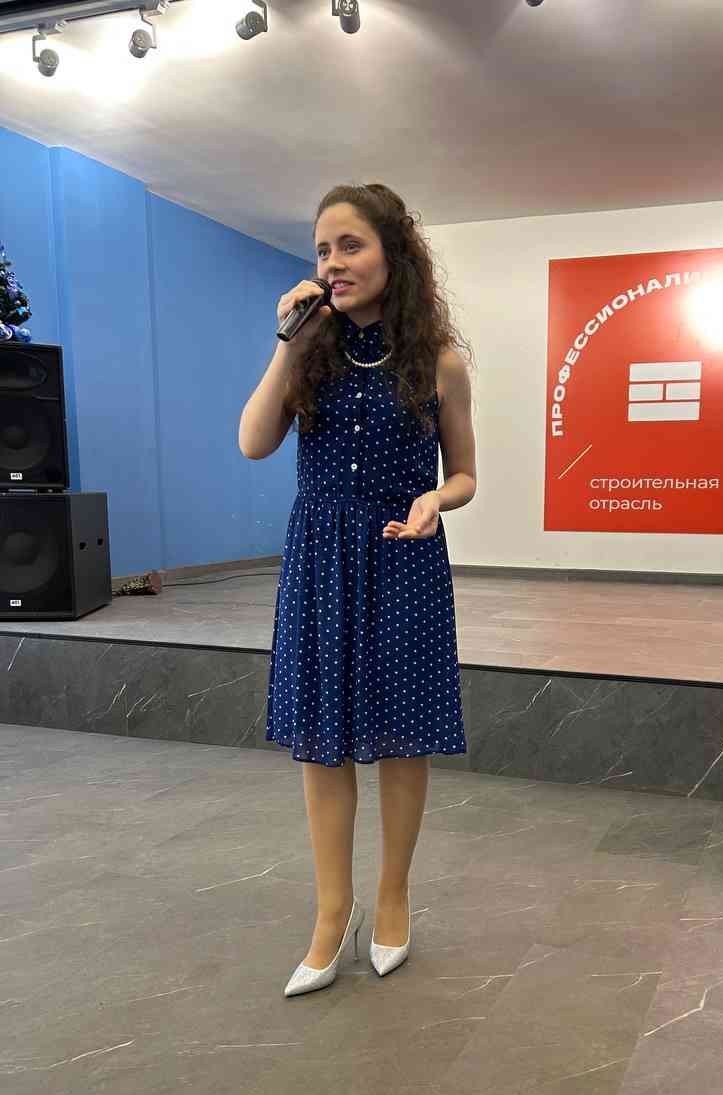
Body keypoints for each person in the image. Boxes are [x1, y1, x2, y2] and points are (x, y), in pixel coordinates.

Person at [238, 183, 476, 997]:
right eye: (322, 249)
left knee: (404, 737)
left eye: (350, 245)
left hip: (403, 556)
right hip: (320, 560)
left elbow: (466, 473)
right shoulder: (311, 352)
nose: (333, 263)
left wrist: (436, 499)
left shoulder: (439, 362)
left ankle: (393, 897)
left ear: (392, 255)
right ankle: (331, 914)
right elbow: (253, 442)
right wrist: (289, 341)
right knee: (321, 738)